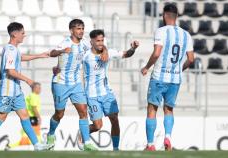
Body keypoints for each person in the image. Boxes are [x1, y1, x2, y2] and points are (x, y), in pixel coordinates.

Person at [0, 22, 52, 151]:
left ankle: (37, 145)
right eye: (22, 33)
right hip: (8, 91)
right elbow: (10, 71)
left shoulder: (14, 49)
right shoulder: (10, 49)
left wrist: (39, 55)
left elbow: (21, 57)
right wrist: (28, 80)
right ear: (14, 34)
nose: (24, 35)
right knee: (1, 116)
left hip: (16, 91)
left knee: (25, 116)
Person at [47, 19, 108, 151]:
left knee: (83, 112)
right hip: (60, 83)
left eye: (82, 28)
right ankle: (51, 134)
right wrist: (62, 51)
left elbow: (99, 46)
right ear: (71, 30)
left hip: (76, 84)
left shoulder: (85, 43)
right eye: (78, 28)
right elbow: (52, 53)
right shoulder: (66, 43)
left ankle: (86, 142)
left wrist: (105, 51)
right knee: (59, 114)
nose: (81, 31)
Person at [141, 4, 194, 151]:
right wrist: (179, 69)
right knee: (169, 109)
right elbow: (191, 59)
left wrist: (146, 67)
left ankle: (151, 144)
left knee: (152, 109)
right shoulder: (186, 34)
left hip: (159, 77)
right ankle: (168, 138)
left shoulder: (161, 31)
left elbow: (157, 53)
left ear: (164, 15)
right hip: (175, 80)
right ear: (176, 16)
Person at [76, 29, 139, 151]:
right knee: (98, 126)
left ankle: (116, 149)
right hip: (92, 95)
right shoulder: (85, 55)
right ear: (92, 42)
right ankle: (82, 132)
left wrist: (133, 49)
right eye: (98, 41)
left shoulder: (108, 52)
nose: (100, 43)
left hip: (107, 93)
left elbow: (126, 54)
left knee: (115, 119)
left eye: (102, 40)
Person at [9, 82, 43, 148]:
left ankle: (39, 145)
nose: (40, 90)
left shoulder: (31, 95)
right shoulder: (33, 96)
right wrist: (39, 117)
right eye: (39, 88)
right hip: (32, 118)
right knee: (33, 135)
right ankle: (11, 146)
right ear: (34, 88)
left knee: (34, 134)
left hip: (30, 117)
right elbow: (34, 108)